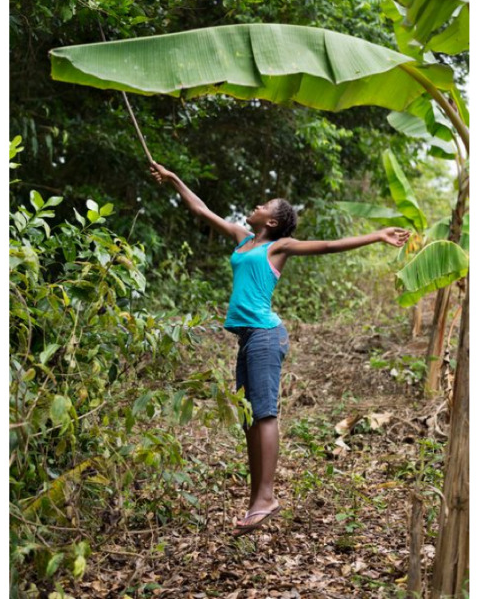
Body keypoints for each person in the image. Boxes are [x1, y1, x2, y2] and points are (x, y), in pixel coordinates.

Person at [150, 162, 410, 537]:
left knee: (264, 414)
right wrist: (174, 179)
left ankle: (266, 497)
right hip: (247, 337)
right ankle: (258, 498)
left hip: (266, 335)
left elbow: (329, 245)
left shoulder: (278, 247)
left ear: (272, 222)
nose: (257, 205)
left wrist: (376, 235)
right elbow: (201, 210)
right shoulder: (243, 239)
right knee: (247, 418)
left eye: (265, 205)